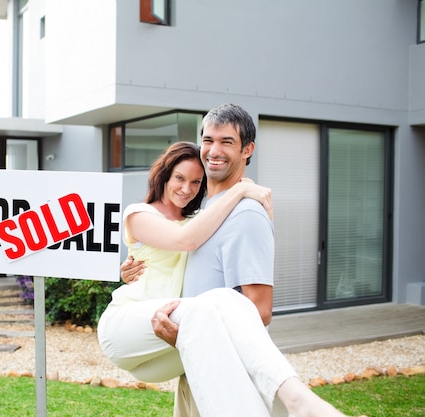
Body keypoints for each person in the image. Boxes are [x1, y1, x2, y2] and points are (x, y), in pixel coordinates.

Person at [100, 104, 358, 417]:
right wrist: (242, 190)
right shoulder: (168, 214)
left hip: (186, 344)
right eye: (208, 140)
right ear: (164, 176)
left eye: (227, 142)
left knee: (219, 304)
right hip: (139, 328)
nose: (187, 187)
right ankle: (298, 401)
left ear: (248, 150)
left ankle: (297, 405)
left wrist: (191, 332)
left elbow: (259, 311)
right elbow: (182, 242)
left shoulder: (231, 214)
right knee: (217, 301)